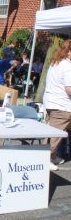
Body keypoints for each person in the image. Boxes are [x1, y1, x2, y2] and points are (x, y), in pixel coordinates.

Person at [43, 39, 71, 171]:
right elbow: (69, 89)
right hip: (62, 104)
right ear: (69, 51)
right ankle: (45, 158)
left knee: (53, 131)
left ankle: (51, 156)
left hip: (51, 102)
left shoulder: (56, 62)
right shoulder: (68, 66)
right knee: (55, 134)